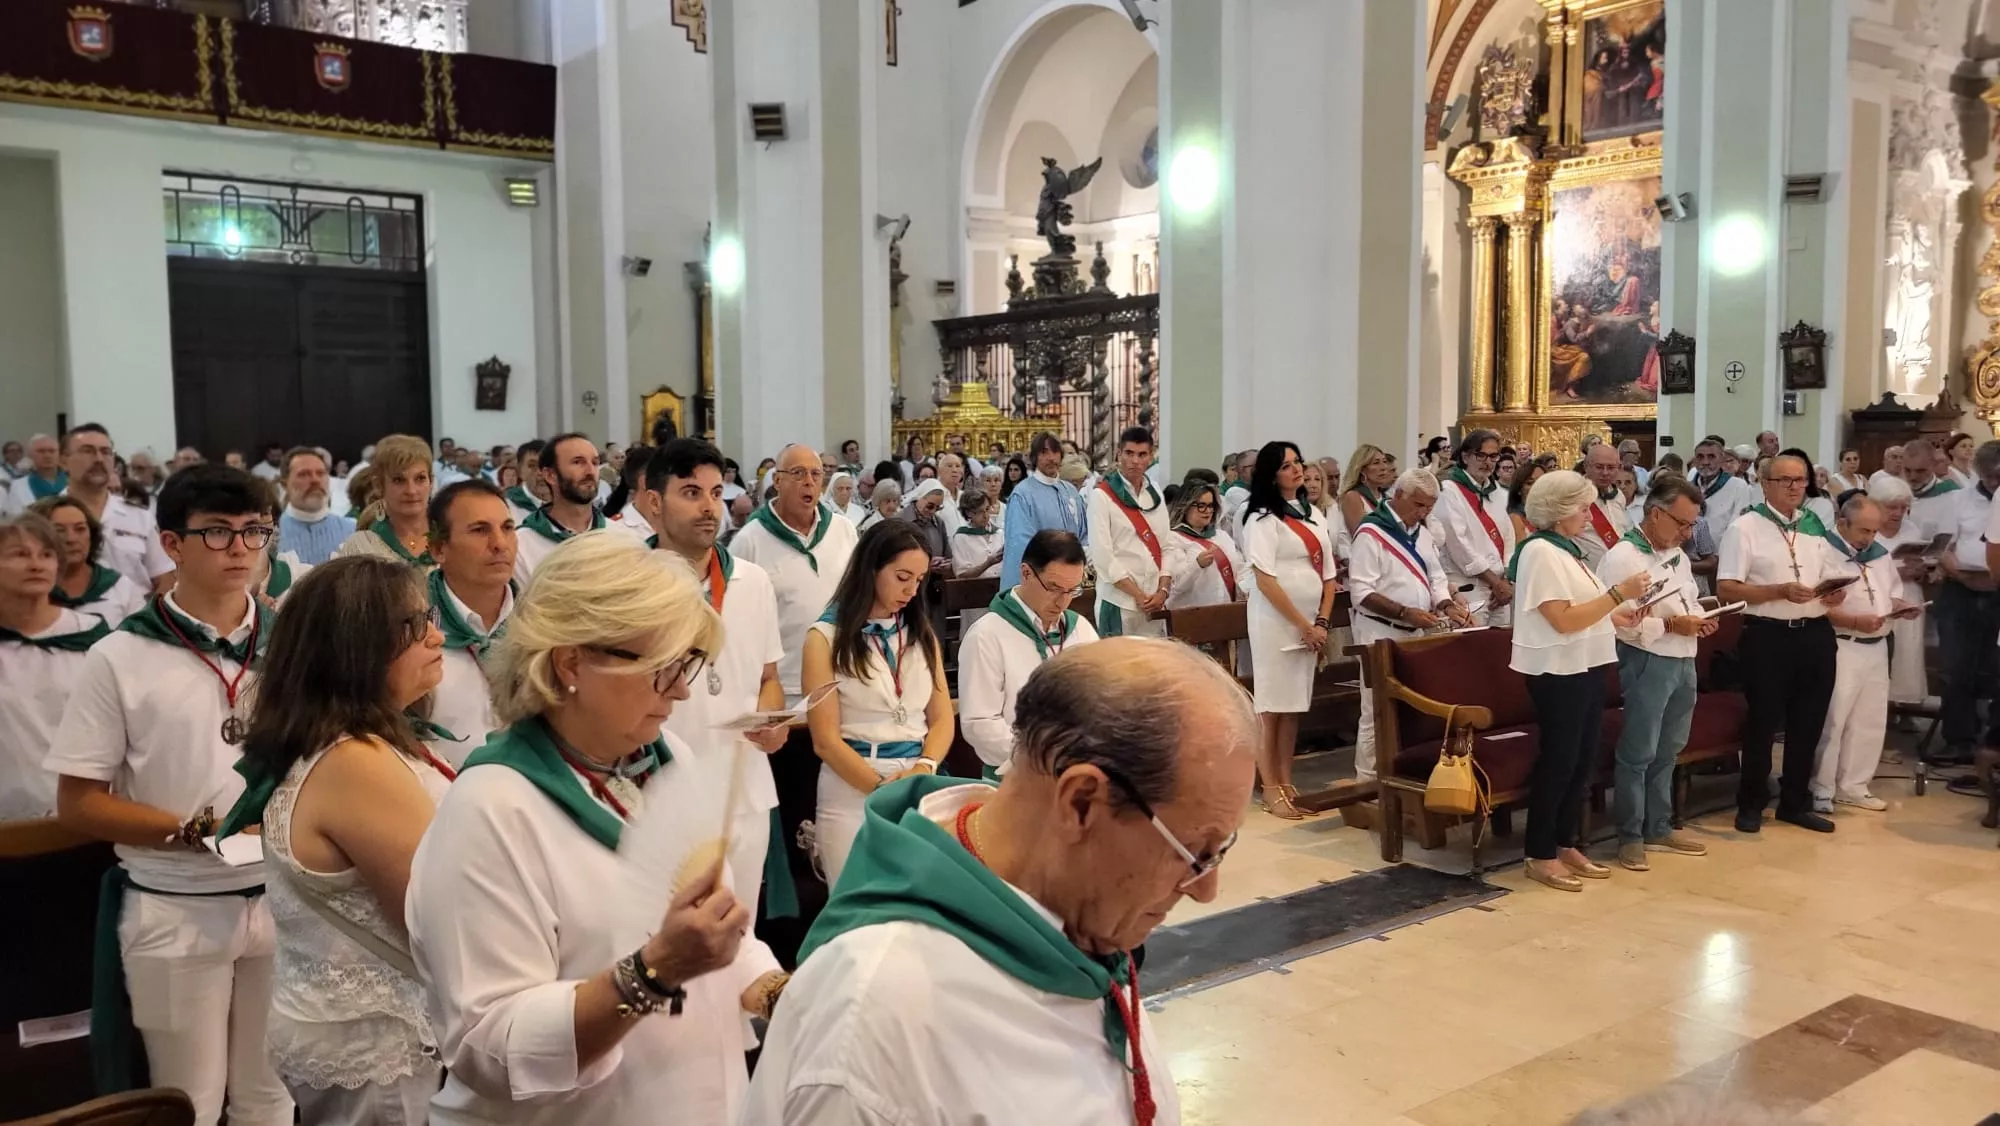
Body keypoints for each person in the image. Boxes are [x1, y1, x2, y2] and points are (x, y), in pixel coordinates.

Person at [743, 638, 1255, 1125]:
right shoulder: (878, 1029)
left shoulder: (1069, 914)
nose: (1205, 888)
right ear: (1080, 803)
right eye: (1196, 852)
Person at [406, 531, 785, 1126]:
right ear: (571, 661)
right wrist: (653, 972)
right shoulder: (492, 809)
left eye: (686, 664)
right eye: (663, 668)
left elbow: (713, 930)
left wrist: (776, 992)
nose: (682, 690)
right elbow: (490, 1048)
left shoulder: (667, 760)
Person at [48, 465, 292, 1126]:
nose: (241, 548)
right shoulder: (120, 655)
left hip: (283, 896)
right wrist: (194, 832)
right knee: (188, 1101)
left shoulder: (290, 643)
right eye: (217, 532)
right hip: (175, 901)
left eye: (254, 532)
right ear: (172, 544)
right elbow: (79, 802)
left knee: (272, 1095)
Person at [216, 556, 453, 1123]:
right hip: (380, 1049)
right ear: (358, 648)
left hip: (358, 1034)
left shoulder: (351, 740)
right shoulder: (354, 761)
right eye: (417, 625)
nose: (438, 635)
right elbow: (438, 920)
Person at [639, 438, 793, 918]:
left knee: (736, 933)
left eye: (715, 492)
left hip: (741, 786)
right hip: (659, 787)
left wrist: (775, 722)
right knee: (660, 934)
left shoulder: (752, 581)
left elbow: (768, 676)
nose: (709, 506)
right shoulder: (631, 582)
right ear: (653, 503)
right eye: (690, 492)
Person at [1507, 470, 1649, 891]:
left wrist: (1619, 612)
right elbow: (1562, 619)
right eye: (1583, 507)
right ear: (1560, 510)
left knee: (1583, 759)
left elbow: (1586, 608)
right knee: (1560, 761)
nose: (1589, 514)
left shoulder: (1567, 551)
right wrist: (1618, 595)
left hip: (1586, 663)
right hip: (1557, 669)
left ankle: (1565, 841)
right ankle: (1540, 851)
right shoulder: (1539, 551)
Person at [799, 521, 956, 885]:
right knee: (856, 910)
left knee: (917, 908)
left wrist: (924, 769)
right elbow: (825, 740)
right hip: (853, 785)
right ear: (871, 568)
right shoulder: (824, 638)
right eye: (902, 577)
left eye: (918, 581)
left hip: (916, 779)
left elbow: (942, 716)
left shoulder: (920, 635)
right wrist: (882, 790)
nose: (911, 591)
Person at [1716, 454, 1848, 834]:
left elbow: (1824, 575)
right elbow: (1726, 589)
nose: (1795, 487)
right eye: (1786, 480)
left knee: (1809, 721)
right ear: (1765, 483)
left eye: (1801, 480)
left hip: (1815, 633)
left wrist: (1832, 595)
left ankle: (1794, 802)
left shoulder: (1813, 526)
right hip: (1767, 634)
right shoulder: (1745, 527)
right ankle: (1751, 803)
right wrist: (1778, 590)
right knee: (1763, 721)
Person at [1594, 477, 1714, 871]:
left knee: (1670, 747)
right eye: (1682, 523)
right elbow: (1616, 621)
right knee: (1639, 750)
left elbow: (1689, 599)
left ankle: (1658, 825)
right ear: (1655, 513)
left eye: (1693, 525)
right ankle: (1629, 835)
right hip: (1645, 657)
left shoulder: (1677, 555)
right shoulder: (1623, 557)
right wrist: (1669, 627)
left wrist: (1699, 619)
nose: (1688, 533)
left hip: (1683, 658)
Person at [1349, 470, 1469, 785]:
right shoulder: (1372, 531)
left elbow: (1436, 576)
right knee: (1375, 708)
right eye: (1418, 505)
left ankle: (1402, 774)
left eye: (1429, 507)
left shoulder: (1423, 532)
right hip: (1379, 630)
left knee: (1413, 707)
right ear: (1398, 495)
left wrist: (1445, 604)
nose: (1423, 513)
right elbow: (1361, 592)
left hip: (1416, 633)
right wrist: (1405, 612)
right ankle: (1367, 781)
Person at [1241, 442, 1341, 819]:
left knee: (1293, 706)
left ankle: (1286, 780)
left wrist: (1321, 622)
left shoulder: (1313, 513)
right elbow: (1265, 579)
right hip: (1276, 623)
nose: (1296, 470)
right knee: (1271, 706)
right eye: (1286, 465)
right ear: (1271, 474)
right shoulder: (1262, 518)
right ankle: (1269, 788)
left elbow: (1329, 576)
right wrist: (1302, 624)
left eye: (1298, 462)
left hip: (1310, 624)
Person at [958, 530, 1099, 781]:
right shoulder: (987, 634)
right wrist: (1044, 757)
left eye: (1072, 590)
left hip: (1076, 774)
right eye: (1054, 588)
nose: (1063, 601)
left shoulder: (1081, 630)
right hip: (1015, 778)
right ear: (1025, 573)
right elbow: (979, 723)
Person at [0, 513, 109, 820]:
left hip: (86, 817)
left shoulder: (93, 637)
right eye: (20, 555)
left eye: (46, 555)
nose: (36, 565)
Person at [732, 443, 861, 701]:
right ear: (777, 480)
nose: (809, 482)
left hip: (841, 678)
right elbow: (736, 621)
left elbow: (859, 592)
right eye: (798, 473)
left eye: (816, 474)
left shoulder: (842, 529)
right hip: (782, 685)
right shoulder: (750, 540)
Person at [1810, 493, 1903, 815]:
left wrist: (1901, 608)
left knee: (1870, 718)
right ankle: (1821, 788)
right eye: (1863, 530)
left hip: (1876, 644)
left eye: (1875, 531)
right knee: (1834, 719)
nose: (1870, 538)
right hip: (1842, 643)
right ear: (1842, 523)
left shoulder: (1880, 554)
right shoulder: (1823, 551)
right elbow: (1817, 603)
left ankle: (1854, 786)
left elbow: (1892, 592)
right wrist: (1853, 620)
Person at [424, 479, 520, 764]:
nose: (500, 544)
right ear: (439, 549)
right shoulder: (409, 630)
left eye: (508, 528)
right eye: (480, 530)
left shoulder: (542, 623)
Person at [1932, 440, 2000, 764]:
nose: (1995, 483)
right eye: (1989, 476)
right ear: (1979, 472)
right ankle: (1959, 739)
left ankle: (1993, 743)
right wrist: (1962, 574)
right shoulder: (1957, 499)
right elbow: (1943, 547)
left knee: (1993, 668)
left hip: (1998, 593)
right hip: (1960, 592)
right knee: (1956, 666)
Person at [1086, 427, 1182, 638]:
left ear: (1151, 456)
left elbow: (1167, 545)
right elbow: (1103, 557)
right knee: (1116, 669)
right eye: (1129, 453)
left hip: (1153, 602)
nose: (1135, 461)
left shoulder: (1154, 491)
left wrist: (1163, 591)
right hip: (1118, 602)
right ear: (1119, 454)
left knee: (1151, 668)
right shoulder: (1101, 496)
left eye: (1142, 454)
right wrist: (1138, 595)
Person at [57, 423, 174, 593]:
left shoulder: (139, 517)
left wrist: (148, 618)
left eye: (106, 452)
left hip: (135, 616)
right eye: (87, 451)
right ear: (63, 461)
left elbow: (164, 577)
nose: (98, 459)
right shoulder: (43, 516)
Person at [515, 433, 632, 583]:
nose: (590, 471)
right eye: (578, 462)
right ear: (550, 475)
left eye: (595, 463)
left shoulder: (622, 538)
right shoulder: (522, 545)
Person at [1431, 428, 1517, 627]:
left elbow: (1509, 538)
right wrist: (1494, 582)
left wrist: (1505, 579)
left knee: (1500, 647)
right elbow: (1458, 545)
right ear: (1465, 456)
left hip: (1500, 586)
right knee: (1474, 647)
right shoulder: (1449, 491)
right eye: (1481, 455)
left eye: (1493, 456)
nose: (1487, 462)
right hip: (1468, 585)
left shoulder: (1498, 494)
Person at [34, 495, 150, 626]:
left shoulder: (121, 588)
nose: (71, 539)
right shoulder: (25, 588)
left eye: (80, 529)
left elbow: (142, 640)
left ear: (92, 535)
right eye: (59, 531)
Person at [1866, 476, 1930, 713]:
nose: (1899, 513)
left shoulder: (1911, 528)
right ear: (1876, 504)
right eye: (1892, 507)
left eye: (1903, 507)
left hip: (1909, 594)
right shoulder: (1867, 530)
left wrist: (1920, 569)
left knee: (1907, 651)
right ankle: (1876, 706)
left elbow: (1921, 563)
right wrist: (1893, 570)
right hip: (1876, 598)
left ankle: (1901, 708)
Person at [1000, 432, 1088, 592]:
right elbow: (1020, 545)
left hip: (1071, 582)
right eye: (1044, 452)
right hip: (1041, 583)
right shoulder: (1023, 494)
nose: (1051, 458)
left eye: (1055, 452)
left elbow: (1084, 535)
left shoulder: (1070, 491)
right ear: (1034, 457)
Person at [335, 435, 437, 570]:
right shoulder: (362, 547)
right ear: (379, 485)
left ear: (431, 482)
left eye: (420, 478)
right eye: (398, 480)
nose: (411, 491)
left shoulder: (453, 537)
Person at [1166, 481, 1245, 610]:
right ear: (1185, 506)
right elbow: (1176, 586)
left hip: (1227, 610)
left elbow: (1239, 567)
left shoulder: (1221, 536)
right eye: (1201, 505)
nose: (1207, 511)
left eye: (1210, 505)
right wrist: (1198, 564)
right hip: (1191, 613)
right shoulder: (1174, 539)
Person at [274, 447, 353, 567]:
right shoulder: (273, 536)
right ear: (285, 484)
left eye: (321, 473)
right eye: (304, 474)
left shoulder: (353, 530)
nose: (315, 480)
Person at [1576, 441, 1630, 568]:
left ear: (1619, 468)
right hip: (1588, 573)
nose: (1605, 473)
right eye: (1599, 467)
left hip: (1617, 571)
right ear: (1586, 466)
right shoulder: (1574, 495)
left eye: (1611, 468)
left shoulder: (1619, 496)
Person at [1338, 444, 1397, 543]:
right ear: (1362, 469)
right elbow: (1361, 535)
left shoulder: (1387, 498)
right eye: (1376, 463)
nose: (1383, 467)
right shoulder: (1353, 497)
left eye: (1384, 462)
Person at [950, 489, 1005, 579]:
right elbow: (962, 574)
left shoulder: (999, 533)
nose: (985, 515)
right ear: (968, 513)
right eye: (980, 511)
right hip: (975, 588)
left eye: (987, 509)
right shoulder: (961, 537)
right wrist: (987, 563)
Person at [4, 433, 66, 513]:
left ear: (59, 454)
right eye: (41, 451)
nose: (47, 455)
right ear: (30, 455)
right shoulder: (18, 486)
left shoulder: (72, 482)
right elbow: (16, 517)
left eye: (52, 451)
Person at [903, 479, 953, 571]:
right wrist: (924, 564)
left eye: (938, 508)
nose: (933, 511)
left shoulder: (938, 522)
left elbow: (947, 555)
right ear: (920, 498)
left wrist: (945, 564)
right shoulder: (901, 520)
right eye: (930, 506)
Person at [1508, 454, 1556, 544]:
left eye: (1542, 481)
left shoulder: (1552, 516)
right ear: (1519, 489)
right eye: (1530, 483)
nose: (1537, 486)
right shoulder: (1515, 518)